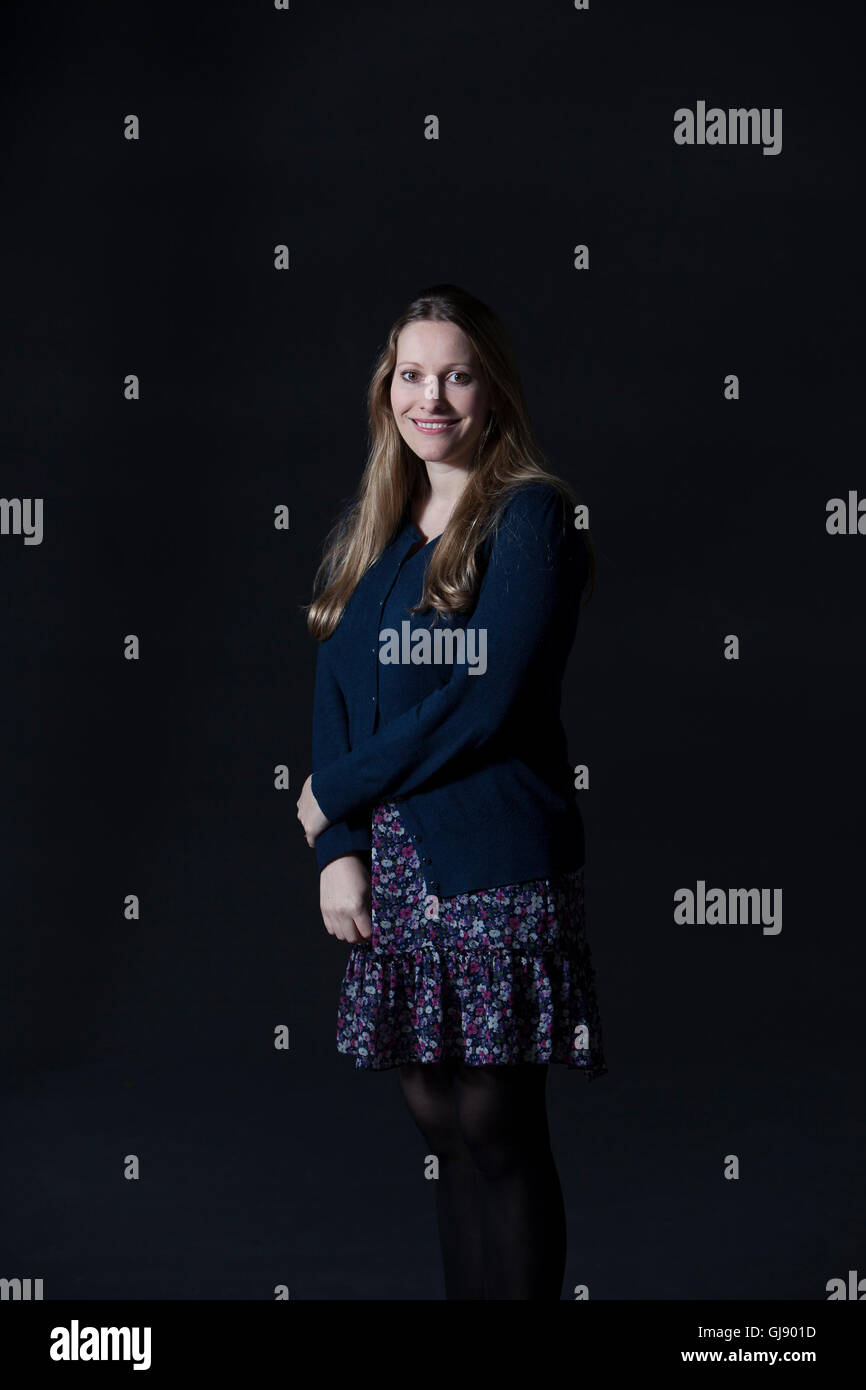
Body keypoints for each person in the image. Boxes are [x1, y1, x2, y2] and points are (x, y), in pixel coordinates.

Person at [296, 283, 607, 1301]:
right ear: (388, 389)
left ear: (493, 390)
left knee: (494, 1124)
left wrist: (327, 790)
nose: (431, 397)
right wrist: (336, 843)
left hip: (492, 860)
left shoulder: (530, 517)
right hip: (393, 869)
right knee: (437, 1121)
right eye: (412, 375)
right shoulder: (375, 527)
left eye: (456, 374)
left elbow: (491, 701)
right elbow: (334, 688)